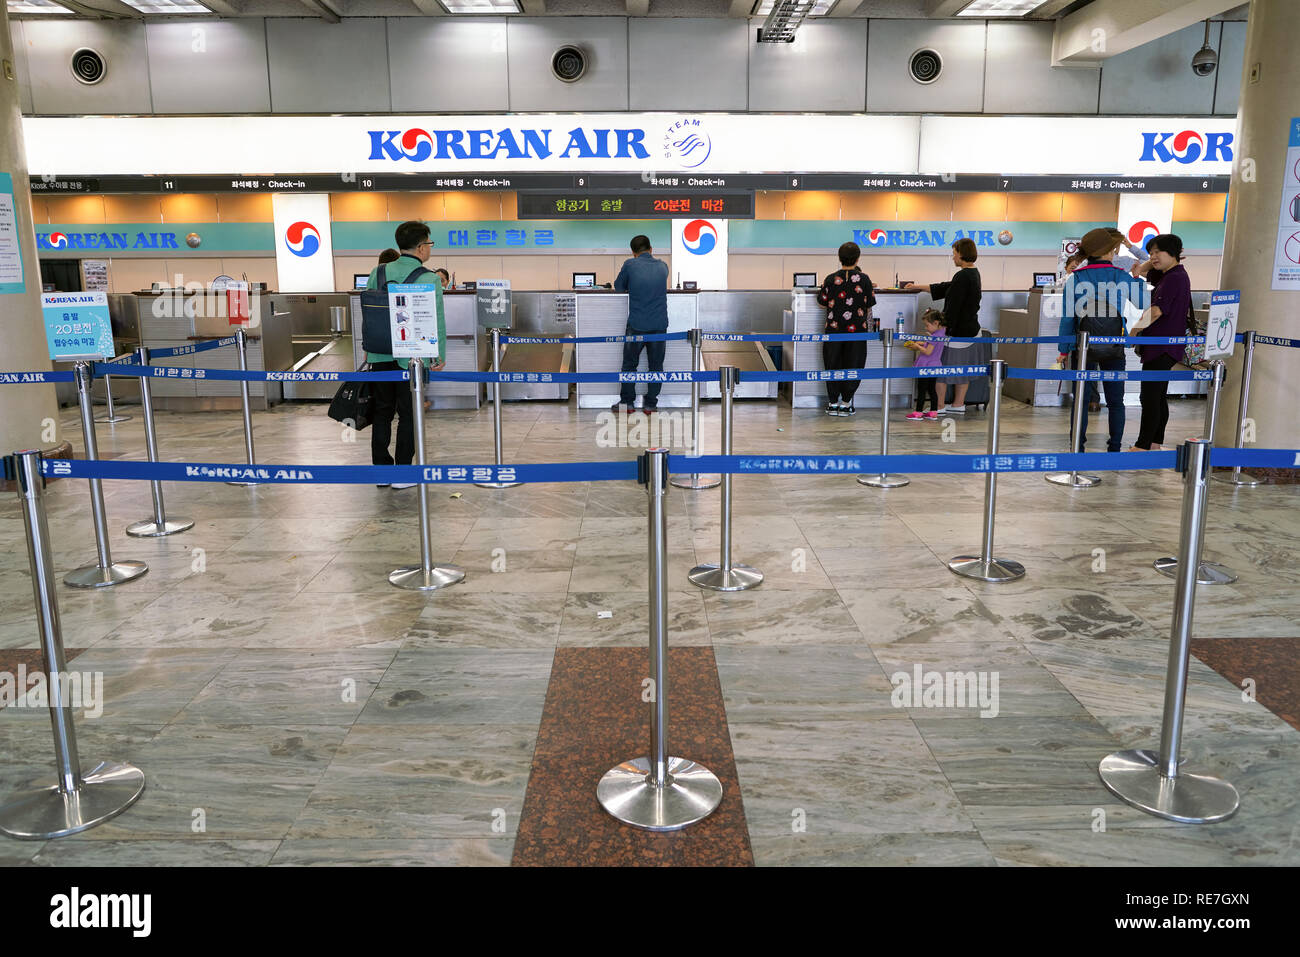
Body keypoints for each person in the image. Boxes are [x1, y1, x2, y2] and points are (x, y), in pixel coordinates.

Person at [364, 221, 445, 488]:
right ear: (422, 247)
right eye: (429, 244)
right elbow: (437, 320)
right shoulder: (430, 278)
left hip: (379, 355)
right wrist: (437, 355)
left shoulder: (380, 271)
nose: (429, 249)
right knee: (409, 414)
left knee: (382, 413)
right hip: (412, 358)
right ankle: (403, 474)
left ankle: (382, 472)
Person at [1056, 227, 1149, 453]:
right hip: (1114, 345)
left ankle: (1077, 446)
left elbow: (1068, 318)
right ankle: (1114, 447)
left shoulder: (1076, 278)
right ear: (1109, 251)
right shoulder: (1120, 275)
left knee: (1081, 401)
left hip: (1083, 346)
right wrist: (1136, 278)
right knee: (1116, 401)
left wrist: (1064, 349)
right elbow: (1143, 303)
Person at [1130, 234, 1191, 451]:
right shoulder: (1170, 274)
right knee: (1157, 395)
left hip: (1162, 345)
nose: (1153, 257)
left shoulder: (1174, 278)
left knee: (1149, 396)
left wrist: (1134, 331)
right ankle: (1155, 442)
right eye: (1151, 252)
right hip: (1165, 345)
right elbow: (1145, 270)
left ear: (1173, 253)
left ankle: (1143, 445)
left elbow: (1156, 311)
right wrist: (1147, 262)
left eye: (1158, 252)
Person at [906, 238, 980, 414]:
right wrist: (918, 287)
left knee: (940, 367)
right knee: (963, 369)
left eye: (954, 253)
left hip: (956, 333)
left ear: (961, 254)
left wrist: (939, 327)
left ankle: (938, 406)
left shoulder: (962, 276)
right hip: (970, 331)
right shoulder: (973, 273)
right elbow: (946, 287)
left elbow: (953, 307)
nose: (953, 257)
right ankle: (958, 404)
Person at [612, 234, 670, 413]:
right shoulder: (663, 266)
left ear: (633, 252)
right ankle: (651, 404)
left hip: (636, 325)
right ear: (651, 249)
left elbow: (619, 287)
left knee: (630, 364)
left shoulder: (630, 264)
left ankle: (627, 403)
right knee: (656, 366)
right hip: (659, 325)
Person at [816, 241, 874, 415]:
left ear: (839, 258)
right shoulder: (864, 279)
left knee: (832, 364)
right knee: (854, 365)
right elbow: (869, 304)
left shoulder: (830, 278)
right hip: (857, 331)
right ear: (858, 258)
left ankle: (833, 403)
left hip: (833, 330)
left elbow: (822, 303)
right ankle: (846, 403)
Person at [904, 308, 945, 420]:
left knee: (921, 388)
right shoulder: (941, 332)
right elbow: (932, 345)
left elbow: (928, 351)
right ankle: (933, 412)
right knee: (932, 389)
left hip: (926, 365)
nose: (926, 328)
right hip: (935, 365)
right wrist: (921, 343)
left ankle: (918, 412)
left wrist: (917, 347)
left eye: (927, 325)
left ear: (936, 323)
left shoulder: (934, 336)